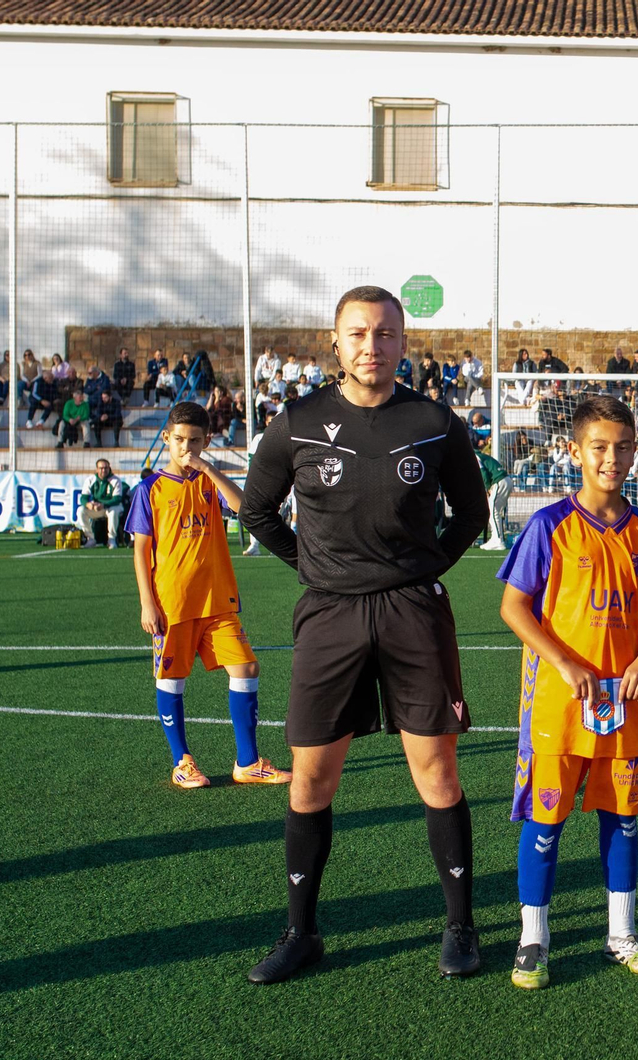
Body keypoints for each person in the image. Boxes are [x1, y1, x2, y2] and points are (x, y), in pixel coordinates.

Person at [239, 285, 489, 985]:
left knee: (437, 772)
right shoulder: (298, 422)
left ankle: (460, 925)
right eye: (357, 333)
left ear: (403, 343)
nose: (371, 346)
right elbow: (257, 512)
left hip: (414, 613)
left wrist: (425, 568)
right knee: (310, 778)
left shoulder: (435, 422)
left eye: (384, 334)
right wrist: (314, 568)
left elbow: (470, 514)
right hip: (330, 615)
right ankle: (301, 931)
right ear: (336, 342)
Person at [496, 395, 638, 990]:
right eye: (599, 447)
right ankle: (533, 940)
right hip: (558, 703)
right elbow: (514, 607)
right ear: (575, 451)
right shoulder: (549, 525)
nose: (612, 459)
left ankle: (621, 934)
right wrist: (562, 662)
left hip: (625, 703)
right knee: (545, 822)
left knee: (623, 820)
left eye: (622, 447)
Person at [126, 402, 289, 790]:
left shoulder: (209, 483)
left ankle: (247, 762)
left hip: (218, 602)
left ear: (207, 441)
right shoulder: (150, 489)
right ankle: (181, 761)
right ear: (166, 438)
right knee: (172, 679)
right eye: (180, 440)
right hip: (173, 605)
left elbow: (246, 509)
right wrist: (147, 603)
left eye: (195, 441)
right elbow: (141, 551)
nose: (187, 448)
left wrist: (210, 470)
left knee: (246, 669)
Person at [80, 458, 128, 549]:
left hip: (112, 506)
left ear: (109, 468)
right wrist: (88, 504)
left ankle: (112, 539)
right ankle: (90, 538)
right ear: (97, 469)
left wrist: (103, 505)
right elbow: (83, 498)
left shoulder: (115, 480)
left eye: (106, 468)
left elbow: (117, 499)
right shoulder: (90, 480)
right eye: (101, 468)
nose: (104, 470)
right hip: (97, 508)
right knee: (81, 511)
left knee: (113, 511)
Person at [477, 444, 511, 552]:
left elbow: (483, 472)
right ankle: (496, 538)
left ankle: (498, 541)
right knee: (494, 511)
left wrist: (486, 488)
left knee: (493, 511)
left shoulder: (475, 456)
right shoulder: (481, 456)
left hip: (499, 481)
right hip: (505, 480)